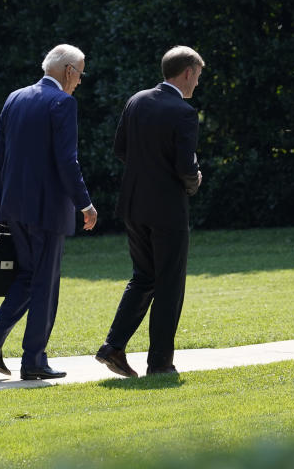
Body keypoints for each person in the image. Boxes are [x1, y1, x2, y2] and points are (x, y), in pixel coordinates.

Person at [0, 44, 98, 380]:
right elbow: (67, 160)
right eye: (80, 74)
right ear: (69, 71)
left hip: (12, 206)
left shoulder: (15, 98)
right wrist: (85, 203)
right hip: (46, 209)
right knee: (44, 283)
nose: (80, 82)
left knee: (29, 277)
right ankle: (34, 361)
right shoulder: (63, 102)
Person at [95, 46, 205, 378]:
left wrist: (147, 172)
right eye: (197, 76)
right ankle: (159, 363)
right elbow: (186, 166)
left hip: (133, 204)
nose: (197, 84)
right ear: (187, 72)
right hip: (167, 209)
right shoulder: (184, 112)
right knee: (169, 284)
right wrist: (194, 181)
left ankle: (113, 347)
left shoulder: (137, 100)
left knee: (143, 277)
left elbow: (120, 148)